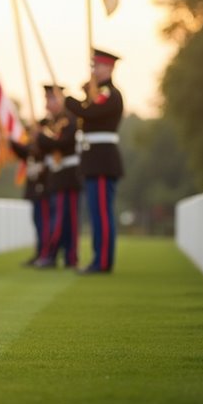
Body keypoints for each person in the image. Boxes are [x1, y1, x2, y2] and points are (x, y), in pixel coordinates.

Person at [64, 49, 124, 274]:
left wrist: (68, 101)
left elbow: (89, 113)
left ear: (108, 68)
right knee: (96, 213)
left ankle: (103, 261)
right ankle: (99, 258)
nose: (93, 70)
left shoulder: (109, 93)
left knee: (101, 213)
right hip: (94, 161)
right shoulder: (98, 93)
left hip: (102, 161)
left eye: (96, 66)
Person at [33, 85, 82, 269]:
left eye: (50, 99)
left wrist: (42, 138)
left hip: (68, 175)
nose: (47, 104)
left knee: (64, 220)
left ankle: (58, 255)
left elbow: (62, 143)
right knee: (60, 218)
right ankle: (63, 256)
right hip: (58, 175)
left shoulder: (68, 119)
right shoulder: (52, 122)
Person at [9, 120, 49, 267]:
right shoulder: (33, 146)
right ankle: (40, 252)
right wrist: (9, 140)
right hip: (34, 190)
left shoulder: (45, 145)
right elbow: (23, 151)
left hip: (43, 189)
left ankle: (45, 253)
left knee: (44, 224)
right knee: (38, 224)